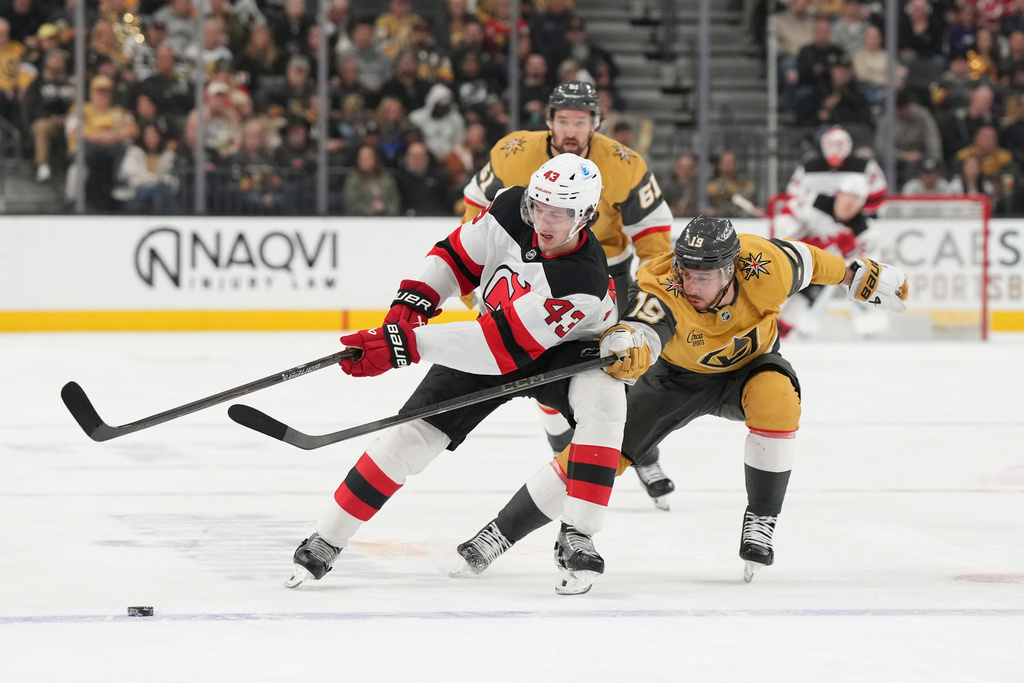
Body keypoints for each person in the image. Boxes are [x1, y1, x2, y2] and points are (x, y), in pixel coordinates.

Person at [451, 215, 910, 589]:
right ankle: (499, 533)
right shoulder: (662, 281)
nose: (691, 283)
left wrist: (859, 276)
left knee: (778, 401)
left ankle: (761, 521)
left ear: (731, 269)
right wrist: (631, 343)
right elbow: (647, 325)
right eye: (687, 272)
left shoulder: (766, 264)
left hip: (749, 370)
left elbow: (811, 261)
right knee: (597, 454)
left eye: (704, 275)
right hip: (673, 379)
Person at [287, 154, 632, 596]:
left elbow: (497, 348)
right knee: (409, 437)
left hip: (566, 354)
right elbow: (457, 257)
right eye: (538, 207)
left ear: (584, 215)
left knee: (605, 404)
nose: (543, 221)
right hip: (499, 335)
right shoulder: (511, 207)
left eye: (559, 213)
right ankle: (325, 538)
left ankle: (578, 534)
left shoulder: (579, 278)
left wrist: (405, 345)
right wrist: (411, 306)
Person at [460, 80, 676, 507]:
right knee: (543, 372)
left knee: (617, 375)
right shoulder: (513, 152)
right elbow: (474, 210)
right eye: (564, 121)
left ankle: (644, 456)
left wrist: (654, 293)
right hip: (531, 270)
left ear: (596, 123)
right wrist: (473, 278)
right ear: (549, 122)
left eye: (581, 121)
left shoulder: (624, 164)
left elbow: (654, 241)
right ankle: (565, 455)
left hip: (605, 277)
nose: (572, 130)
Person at [787, 125, 887, 215]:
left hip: (856, 221)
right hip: (815, 223)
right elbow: (793, 196)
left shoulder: (866, 166)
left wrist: (853, 213)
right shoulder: (808, 168)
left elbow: (878, 194)